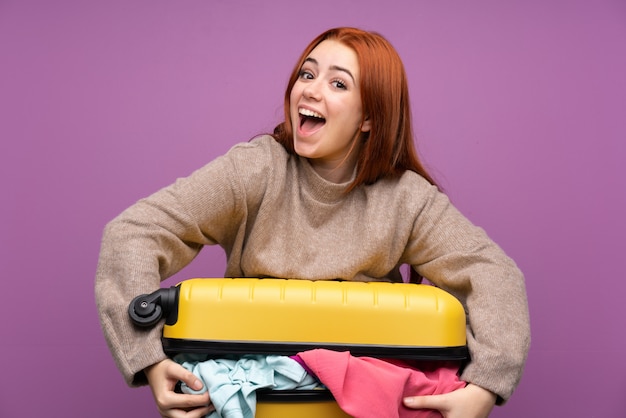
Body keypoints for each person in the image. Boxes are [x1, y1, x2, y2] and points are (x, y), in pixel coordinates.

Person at [95, 27, 530, 418]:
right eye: (307, 74)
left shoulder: (405, 198)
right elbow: (132, 233)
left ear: (369, 118)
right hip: (255, 397)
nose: (310, 91)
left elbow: (493, 274)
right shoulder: (256, 170)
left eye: (337, 83)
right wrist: (147, 359)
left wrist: (485, 387)